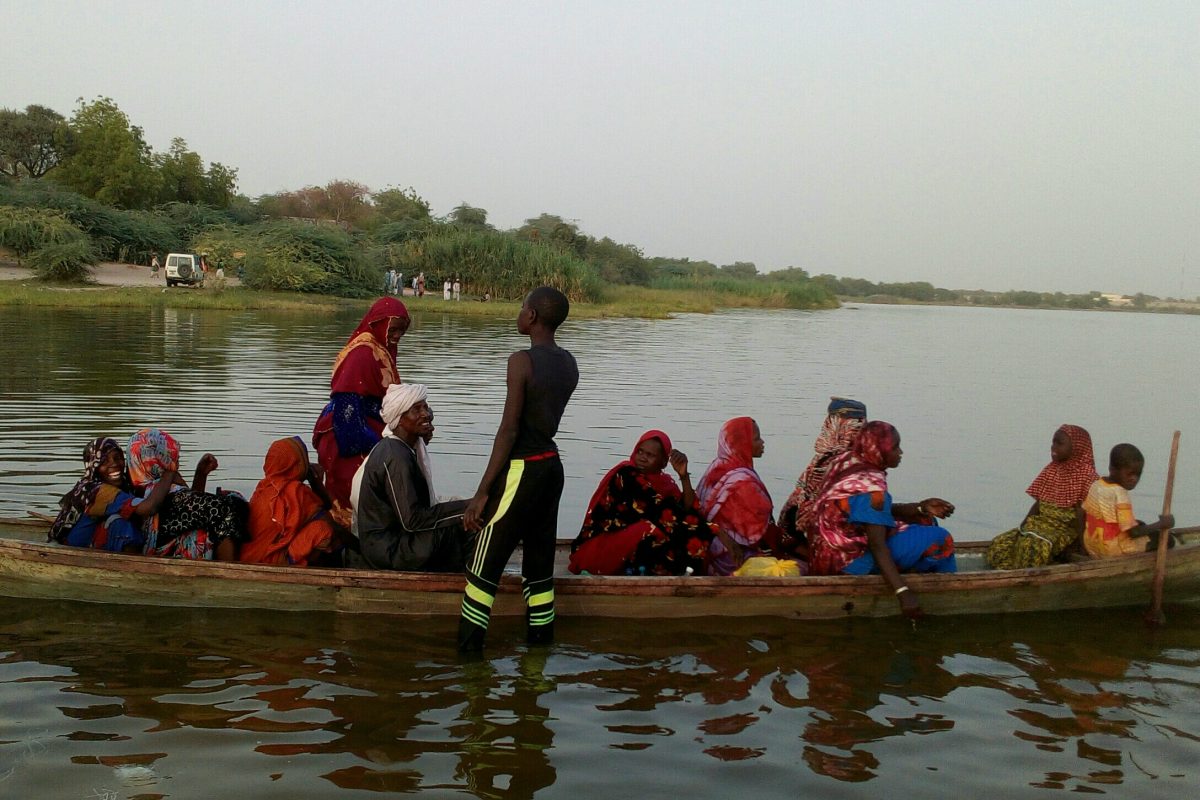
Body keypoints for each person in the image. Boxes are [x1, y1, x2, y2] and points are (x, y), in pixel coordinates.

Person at [459, 286, 579, 651]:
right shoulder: (569, 362)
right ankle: (538, 659)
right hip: (551, 469)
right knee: (540, 572)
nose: (520, 311)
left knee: (482, 567)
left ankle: (469, 664)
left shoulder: (521, 361)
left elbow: (509, 429)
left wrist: (482, 492)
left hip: (522, 469)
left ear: (532, 317)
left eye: (522, 306)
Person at [809, 421, 956, 618]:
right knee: (941, 537)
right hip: (848, 563)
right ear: (880, 451)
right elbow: (877, 545)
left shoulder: (847, 462)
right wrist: (903, 593)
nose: (901, 453)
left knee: (926, 520)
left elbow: (869, 513)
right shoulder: (871, 488)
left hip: (826, 554)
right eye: (895, 447)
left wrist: (920, 508)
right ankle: (951, 594)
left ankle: (912, 574)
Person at [350, 384, 476, 571]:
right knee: (468, 523)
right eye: (416, 410)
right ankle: (472, 581)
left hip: (391, 542)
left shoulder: (402, 449)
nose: (425, 414)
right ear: (399, 419)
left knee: (465, 515)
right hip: (388, 550)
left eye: (425, 408)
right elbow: (412, 521)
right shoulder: (396, 455)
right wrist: (468, 508)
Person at [311, 297, 410, 526]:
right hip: (348, 430)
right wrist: (382, 446)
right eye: (393, 330)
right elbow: (347, 409)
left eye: (402, 332)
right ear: (378, 323)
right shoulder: (363, 354)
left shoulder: (381, 350)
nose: (397, 336)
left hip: (364, 422)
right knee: (354, 494)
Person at [568, 430, 714, 576]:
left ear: (663, 462)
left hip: (631, 544)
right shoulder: (626, 475)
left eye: (650, 455)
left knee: (676, 535)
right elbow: (663, 514)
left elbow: (686, 509)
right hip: (599, 548)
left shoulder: (664, 483)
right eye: (640, 452)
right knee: (651, 528)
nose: (642, 458)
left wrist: (683, 476)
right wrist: (714, 530)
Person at [126, 428, 249, 560]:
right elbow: (217, 509)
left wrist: (200, 474)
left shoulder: (141, 486)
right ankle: (228, 570)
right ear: (157, 459)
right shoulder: (162, 491)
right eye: (171, 457)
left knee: (230, 503)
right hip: (167, 554)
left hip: (169, 546)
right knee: (233, 506)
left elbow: (191, 511)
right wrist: (171, 471)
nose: (176, 461)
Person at [986, 425, 1097, 569]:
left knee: (1032, 547)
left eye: (1059, 444)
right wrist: (1022, 526)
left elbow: (1083, 515)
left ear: (1076, 448)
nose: (1053, 447)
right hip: (1039, 524)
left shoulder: (1087, 475)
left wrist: (1082, 547)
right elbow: (1039, 503)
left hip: (1065, 531)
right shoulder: (1052, 469)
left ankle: (1026, 578)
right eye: (1053, 442)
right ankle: (1012, 575)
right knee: (999, 544)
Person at [695, 417, 793, 576]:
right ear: (743, 444)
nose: (762, 442)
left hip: (710, 550)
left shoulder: (717, 466)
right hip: (731, 558)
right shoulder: (743, 483)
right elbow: (756, 532)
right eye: (756, 439)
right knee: (793, 568)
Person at [48, 437, 177, 553]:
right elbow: (149, 507)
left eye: (118, 458)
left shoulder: (125, 484)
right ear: (94, 467)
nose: (114, 464)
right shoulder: (95, 491)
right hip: (73, 547)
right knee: (120, 524)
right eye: (104, 461)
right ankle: (131, 565)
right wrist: (169, 472)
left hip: (94, 539)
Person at [240, 436, 345, 567]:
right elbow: (328, 521)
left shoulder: (262, 487)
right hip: (271, 560)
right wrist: (316, 483)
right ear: (298, 465)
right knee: (323, 530)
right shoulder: (296, 491)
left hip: (249, 556)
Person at [779, 397, 867, 543]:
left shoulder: (827, 458)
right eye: (852, 426)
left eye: (860, 426)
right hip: (816, 540)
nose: (855, 432)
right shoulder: (833, 463)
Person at [1081, 443, 1175, 559]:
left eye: (1138, 474)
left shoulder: (1096, 484)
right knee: (1167, 539)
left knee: (1140, 523)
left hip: (1091, 546)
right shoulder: (1120, 493)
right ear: (1112, 469)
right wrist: (1162, 524)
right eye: (1130, 474)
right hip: (1113, 550)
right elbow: (1134, 533)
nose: (1134, 479)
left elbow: (1084, 514)